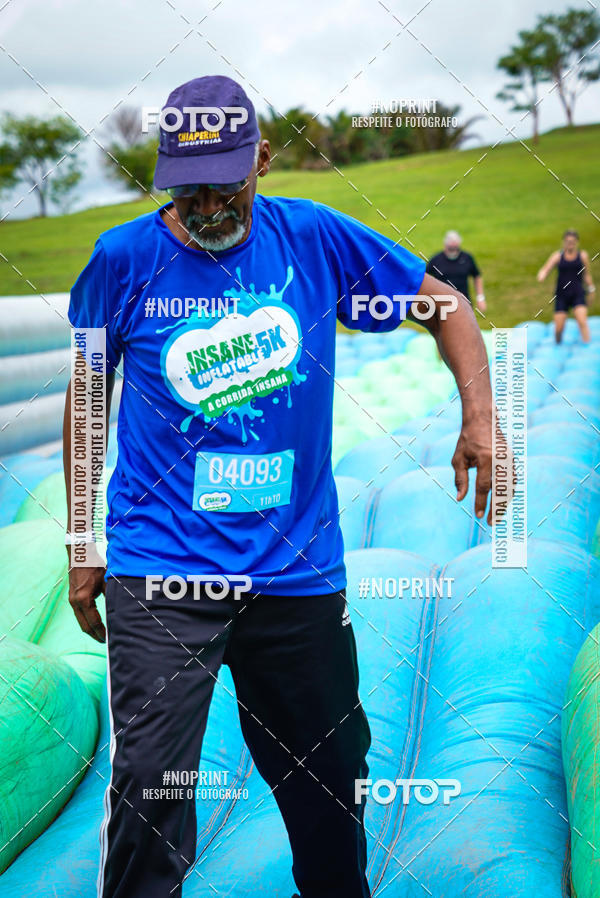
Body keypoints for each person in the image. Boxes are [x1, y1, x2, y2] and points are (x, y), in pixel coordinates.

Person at [64, 75, 494, 898]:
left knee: (330, 782)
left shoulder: (316, 239)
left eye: (226, 184)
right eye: (187, 189)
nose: (207, 206)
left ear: (261, 157)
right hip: (161, 567)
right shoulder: (121, 260)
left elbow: (447, 308)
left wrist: (482, 420)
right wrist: (83, 541)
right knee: (151, 785)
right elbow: (87, 397)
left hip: (294, 570)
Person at [537, 229, 595, 343]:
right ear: (564, 242)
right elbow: (546, 268)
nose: (570, 244)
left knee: (582, 321)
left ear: (577, 242)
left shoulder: (582, 256)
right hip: (562, 295)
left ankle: (587, 343)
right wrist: (542, 275)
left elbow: (587, 274)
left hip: (578, 293)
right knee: (559, 328)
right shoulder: (557, 256)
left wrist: (592, 289)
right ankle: (557, 345)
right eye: (568, 241)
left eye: (572, 241)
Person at [426, 231, 486, 313]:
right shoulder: (436, 260)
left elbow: (477, 276)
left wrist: (480, 297)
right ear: (445, 245)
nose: (453, 251)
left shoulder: (467, 258)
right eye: (450, 248)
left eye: (455, 248)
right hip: (441, 304)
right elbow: (424, 277)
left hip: (464, 302)